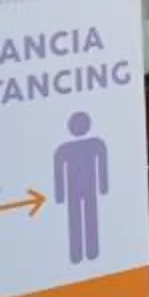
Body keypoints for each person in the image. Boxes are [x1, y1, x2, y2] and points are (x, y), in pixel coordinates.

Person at [53, 112, 110, 266]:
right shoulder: (65, 149)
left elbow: (102, 165)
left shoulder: (95, 144)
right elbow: (58, 172)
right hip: (75, 189)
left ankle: (91, 251)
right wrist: (59, 195)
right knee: (76, 219)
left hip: (87, 187)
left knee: (88, 217)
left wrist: (104, 187)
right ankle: (77, 253)